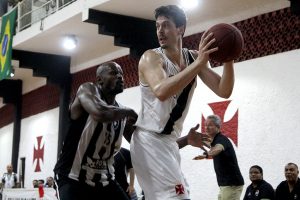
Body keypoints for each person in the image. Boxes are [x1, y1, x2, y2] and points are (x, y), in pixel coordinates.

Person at [130, 4, 235, 200]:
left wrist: (229, 57)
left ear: (181, 29)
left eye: (166, 25)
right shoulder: (151, 57)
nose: (160, 31)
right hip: (148, 140)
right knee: (178, 198)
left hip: (168, 142)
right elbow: (161, 90)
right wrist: (199, 63)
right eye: (157, 26)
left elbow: (223, 89)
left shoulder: (193, 57)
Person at [53, 61, 138, 200]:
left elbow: (143, 146)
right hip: (72, 178)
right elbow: (100, 113)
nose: (120, 77)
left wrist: (181, 141)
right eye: (114, 73)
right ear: (99, 79)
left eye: (121, 73)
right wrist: (130, 112)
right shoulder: (86, 90)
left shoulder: (122, 114)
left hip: (104, 181)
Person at [195, 115, 244, 200]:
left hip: (232, 184)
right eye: (205, 125)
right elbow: (207, 143)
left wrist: (206, 155)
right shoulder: (215, 140)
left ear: (218, 127)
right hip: (224, 185)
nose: (206, 127)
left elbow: (218, 149)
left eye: (210, 125)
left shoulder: (221, 140)